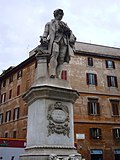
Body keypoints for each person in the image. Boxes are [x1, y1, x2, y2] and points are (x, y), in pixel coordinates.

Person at [41, 9, 76, 78]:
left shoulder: (64, 24)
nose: (61, 16)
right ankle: (52, 73)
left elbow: (70, 34)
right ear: (56, 14)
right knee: (54, 55)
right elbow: (45, 33)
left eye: (62, 14)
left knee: (61, 59)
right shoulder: (49, 24)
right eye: (60, 14)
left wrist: (68, 32)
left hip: (64, 42)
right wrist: (44, 38)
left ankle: (58, 76)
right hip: (55, 41)